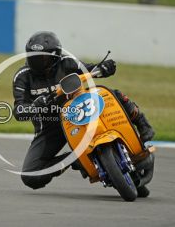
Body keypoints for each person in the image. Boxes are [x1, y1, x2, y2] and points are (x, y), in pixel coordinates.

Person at [12, 31, 154, 195]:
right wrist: (35, 106)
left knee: (110, 93)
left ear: (55, 56)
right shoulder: (22, 76)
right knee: (30, 176)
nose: (36, 62)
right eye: (33, 57)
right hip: (50, 126)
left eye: (41, 58)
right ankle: (76, 159)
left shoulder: (67, 63)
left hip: (80, 111)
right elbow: (18, 110)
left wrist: (104, 67)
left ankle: (142, 123)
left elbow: (90, 69)